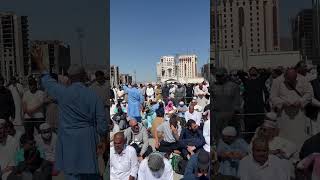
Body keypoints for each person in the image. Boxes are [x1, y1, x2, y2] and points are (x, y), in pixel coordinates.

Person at [32, 48, 107, 180]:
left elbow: (48, 81)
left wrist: (39, 61)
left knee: (73, 174)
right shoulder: (93, 96)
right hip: (88, 140)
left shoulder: (63, 93)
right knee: (90, 174)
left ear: (69, 78)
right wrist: (103, 140)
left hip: (68, 141)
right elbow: (102, 124)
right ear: (84, 76)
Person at [270, 68, 313, 149]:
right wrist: (283, 102)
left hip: (299, 114)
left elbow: (309, 94)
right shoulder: (277, 81)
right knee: (284, 135)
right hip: (283, 114)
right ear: (285, 77)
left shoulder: (303, 79)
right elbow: (272, 97)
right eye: (289, 80)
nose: (292, 82)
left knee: (299, 135)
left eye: (294, 80)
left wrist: (301, 101)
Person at [238, 67, 270, 143]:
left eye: (254, 70)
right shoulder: (246, 81)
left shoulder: (260, 80)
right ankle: (248, 143)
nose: (252, 71)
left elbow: (268, 74)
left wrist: (261, 71)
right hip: (248, 108)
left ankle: (260, 142)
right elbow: (240, 73)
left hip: (258, 107)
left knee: (259, 128)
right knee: (248, 129)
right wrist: (245, 73)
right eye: (251, 70)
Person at [212, 68, 241, 140]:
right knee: (218, 135)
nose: (219, 78)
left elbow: (237, 100)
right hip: (217, 114)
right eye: (217, 76)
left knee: (231, 135)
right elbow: (211, 100)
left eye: (221, 76)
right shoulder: (213, 86)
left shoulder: (234, 86)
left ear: (226, 75)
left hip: (231, 114)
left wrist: (235, 111)